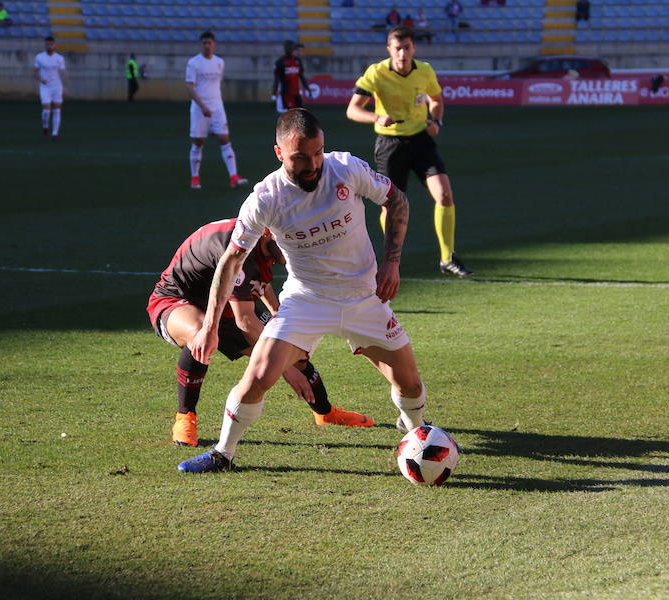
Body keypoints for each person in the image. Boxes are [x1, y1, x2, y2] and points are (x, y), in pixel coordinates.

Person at [178, 109, 430, 473]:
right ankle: (223, 452)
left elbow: (397, 200)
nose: (313, 164)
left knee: (409, 382)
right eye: (300, 157)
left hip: (363, 298)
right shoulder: (266, 198)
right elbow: (231, 261)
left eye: (318, 152)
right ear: (279, 153)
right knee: (259, 374)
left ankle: (416, 430)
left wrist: (392, 261)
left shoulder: (345, 169)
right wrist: (211, 326)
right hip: (306, 300)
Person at [148, 218, 374, 447]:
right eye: (287, 240)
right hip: (176, 301)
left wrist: (279, 317)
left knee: (290, 345)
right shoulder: (239, 246)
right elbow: (245, 320)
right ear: (268, 233)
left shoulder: (261, 242)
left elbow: (259, 283)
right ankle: (185, 418)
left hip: (227, 304)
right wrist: (284, 368)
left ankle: (326, 414)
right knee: (201, 333)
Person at [346, 26, 473, 278]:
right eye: (397, 48)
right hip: (390, 145)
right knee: (390, 206)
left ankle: (448, 258)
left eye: (407, 48)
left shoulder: (424, 70)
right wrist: (376, 117)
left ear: (414, 48)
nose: (402, 53)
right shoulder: (376, 72)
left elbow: (436, 100)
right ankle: (393, 259)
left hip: (421, 141)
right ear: (389, 50)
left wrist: (437, 122)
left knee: (445, 194)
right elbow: (352, 110)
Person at [185, 31, 248, 190]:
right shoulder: (193, 63)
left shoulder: (219, 62)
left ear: (214, 44)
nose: (207, 45)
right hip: (200, 109)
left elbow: (215, 85)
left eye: (209, 42)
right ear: (202, 44)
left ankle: (234, 177)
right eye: (204, 43)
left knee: (224, 139)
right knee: (199, 142)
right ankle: (194, 178)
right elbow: (190, 87)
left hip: (217, 107)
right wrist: (203, 106)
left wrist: (214, 105)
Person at [33, 36, 66, 139]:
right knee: (46, 110)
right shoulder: (39, 57)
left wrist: (65, 86)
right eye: (47, 44)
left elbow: (63, 72)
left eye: (51, 44)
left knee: (57, 109)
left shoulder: (59, 58)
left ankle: (55, 133)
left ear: (54, 45)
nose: (49, 46)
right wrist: (40, 79)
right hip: (45, 87)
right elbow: (34, 72)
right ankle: (45, 127)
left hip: (57, 86)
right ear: (45, 45)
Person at [272, 40, 311, 114]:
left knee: (300, 114)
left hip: (296, 93)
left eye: (290, 47)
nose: (288, 49)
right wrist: (274, 94)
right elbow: (276, 79)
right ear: (284, 49)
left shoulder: (297, 61)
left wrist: (308, 89)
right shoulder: (280, 62)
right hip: (286, 93)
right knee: (290, 115)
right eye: (287, 47)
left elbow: (301, 76)